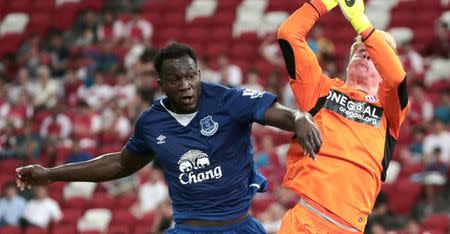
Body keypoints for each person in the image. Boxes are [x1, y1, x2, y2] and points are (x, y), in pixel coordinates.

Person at [16, 42, 322, 234]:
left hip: (239, 227)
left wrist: (300, 119)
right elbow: (119, 164)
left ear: (199, 73)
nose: (186, 86)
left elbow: (285, 115)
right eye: (176, 80)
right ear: (161, 84)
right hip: (188, 228)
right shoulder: (152, 123)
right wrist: (52, 174)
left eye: (191, 76)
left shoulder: (230, 101)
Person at [276, 0, 410, 233]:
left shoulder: (390, 110)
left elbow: (397, 78)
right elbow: (289, 35)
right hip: (304, 221)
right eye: (359, 51)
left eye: (373, 55)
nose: (364, 54)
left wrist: (360, 21)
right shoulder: (321, 91)